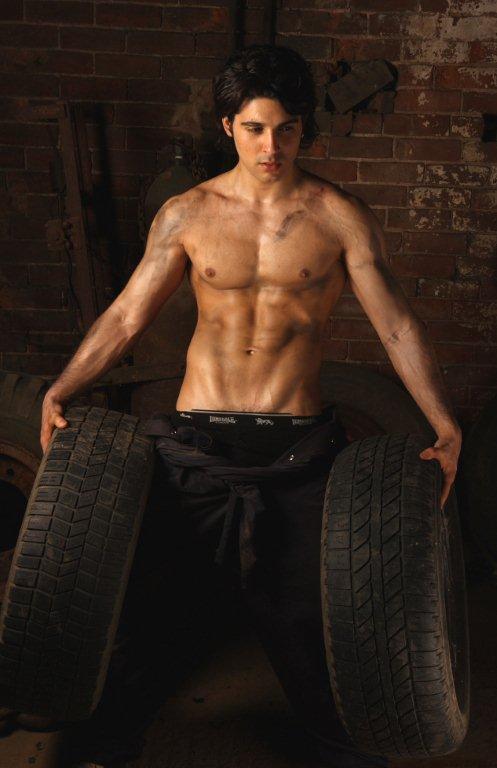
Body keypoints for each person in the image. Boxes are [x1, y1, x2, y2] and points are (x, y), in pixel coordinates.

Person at [40, 44, 462, 767]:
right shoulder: (187, 213)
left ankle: (341, 750)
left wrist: (443, 423)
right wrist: (62, 387)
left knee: (311, 618)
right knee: (157, 607)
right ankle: (107, 747)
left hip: (296, 448)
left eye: (286, 129)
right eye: (255, 129)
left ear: (303, 129)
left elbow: (395, 326)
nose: (271, 147)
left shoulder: (339, 216)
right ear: (228, 126)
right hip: (196, 441)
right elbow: (127, 316)